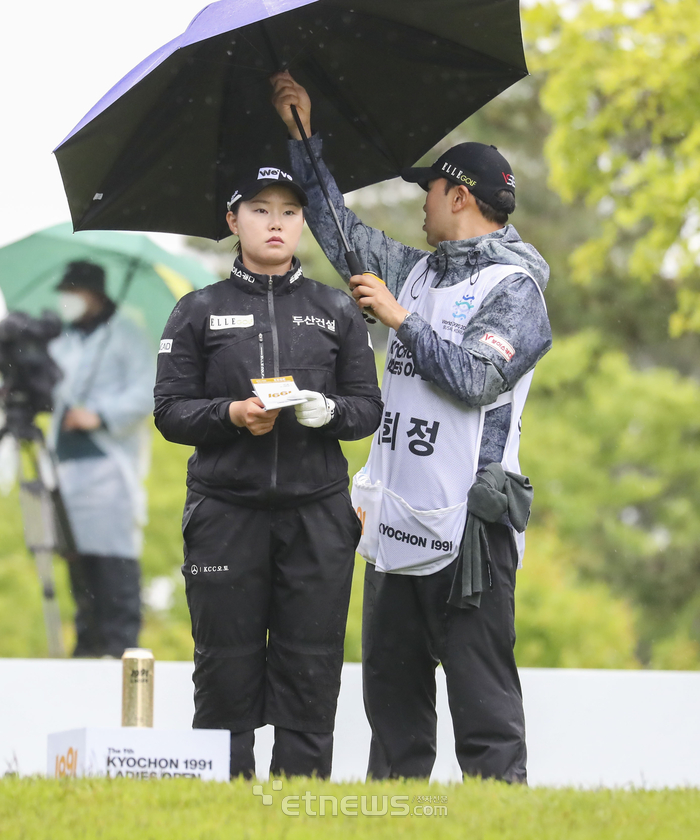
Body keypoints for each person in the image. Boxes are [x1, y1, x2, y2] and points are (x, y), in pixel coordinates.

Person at [271, 72, 552, 784]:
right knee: (392, 717)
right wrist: (305, 140)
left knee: (484, 716)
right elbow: (343, 237)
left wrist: (400, 319)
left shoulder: (516, 290)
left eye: (431, 189)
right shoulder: (421, 272)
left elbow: (474, 379)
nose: (422, 200)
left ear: (460, 197)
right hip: (394, 515)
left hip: (472, 530)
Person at [153, 167, 382, 779]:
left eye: (288, 211)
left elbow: (368, 408)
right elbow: (170, 413)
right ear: (233, 222)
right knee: (225, 665)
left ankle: (296, 808)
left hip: (317, 512)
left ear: (303, 222)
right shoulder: (197, 310)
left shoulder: (336, 309)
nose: (275, 222)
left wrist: (327, 411)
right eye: (259, 209)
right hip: (226, 511)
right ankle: (227, 807)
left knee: (310, 665)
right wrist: (230, 414)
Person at [48, 260, 155, 658]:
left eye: (73, 292)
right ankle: (86, 644)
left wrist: (101, 414)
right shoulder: (64, 339)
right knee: (77, 560)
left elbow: (147, 390)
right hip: (67, 464)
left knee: (113, 560)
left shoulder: (125, 332)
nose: (68, 301)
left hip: (109, 462)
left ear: (92, 293)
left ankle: (119, 645)